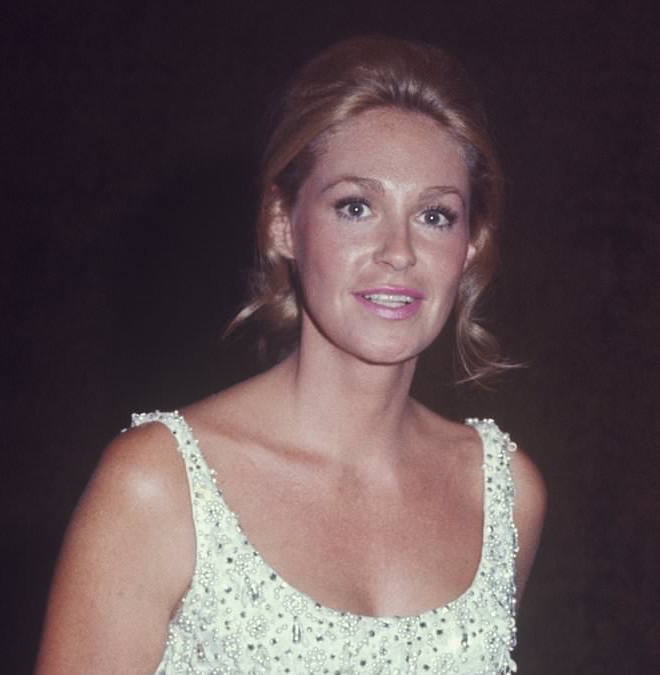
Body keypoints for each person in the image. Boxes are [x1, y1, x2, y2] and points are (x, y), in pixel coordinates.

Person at [35, 35, 546, 674]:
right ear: (283, 223)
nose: (399, 251)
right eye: (355, 207)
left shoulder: (503, 493)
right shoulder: (158, 485)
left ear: (471, 245)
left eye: (436, 216)